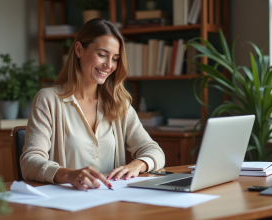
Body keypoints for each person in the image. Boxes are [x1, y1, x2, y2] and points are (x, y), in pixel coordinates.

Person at [20, 18, 165, 191]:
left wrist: (138, 165)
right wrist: (68, 174)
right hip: (66, 205)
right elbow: (29, 161)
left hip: (112, 204)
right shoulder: (48, 100)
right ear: (79, 50)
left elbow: (154, 151)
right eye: (102, 55)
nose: (109, 65)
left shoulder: (119, 103)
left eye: (115, 58)